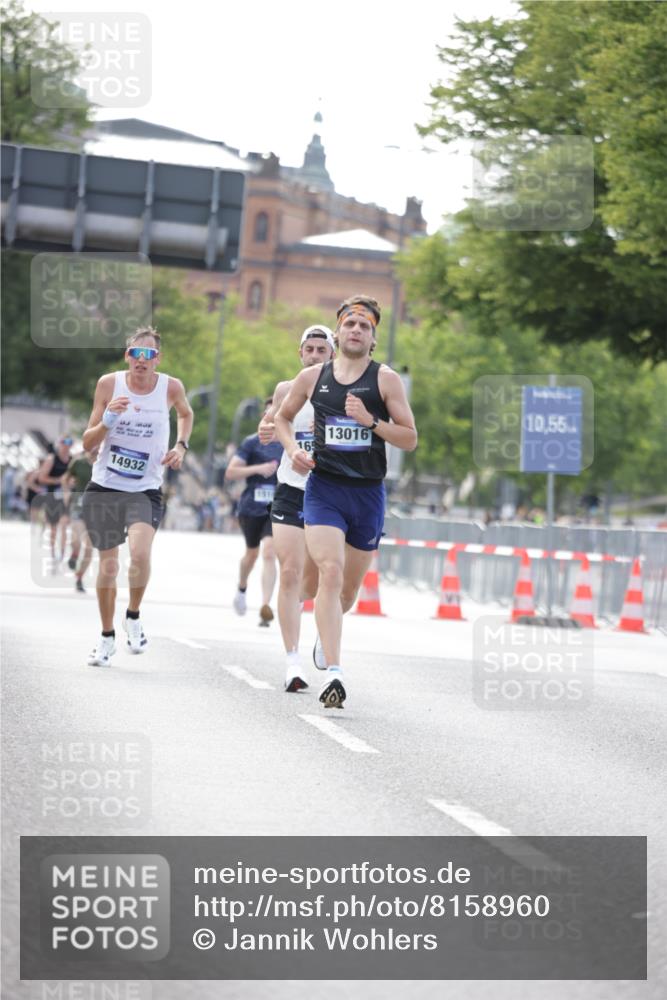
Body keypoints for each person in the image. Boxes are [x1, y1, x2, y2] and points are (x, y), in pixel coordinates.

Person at [275, 294, 418, 708]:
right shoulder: (313, 378)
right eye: (350, 324)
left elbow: (410, 438)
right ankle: (334, 674)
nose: (356, 331)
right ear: (338, 333)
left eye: (365, 326)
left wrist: (371, 422)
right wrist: (292, 450)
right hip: (324, 489)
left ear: (373, 339)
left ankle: (328, 627)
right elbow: (282, 418)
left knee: (347, 591)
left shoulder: (384, 380)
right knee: (329, 571)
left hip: (367, 494)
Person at [81, 326, 193, 667]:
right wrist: (109, 420)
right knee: (109, 565)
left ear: (158, 359)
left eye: (149, 355)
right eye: (135, 354)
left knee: (140, 555)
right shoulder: (108, 384)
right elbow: (88, 443)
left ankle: (132, 614)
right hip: (104, 487)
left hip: (144, 488)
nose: (141, 361)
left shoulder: (170, 387)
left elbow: (186, 414)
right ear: (126, 356)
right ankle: (106, 637)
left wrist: (180, 446)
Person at [258, 325, 335, 692]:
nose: (316, 355)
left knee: (319, 578)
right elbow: (273, 420)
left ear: (331, 355)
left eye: (323, 349)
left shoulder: (345, 391)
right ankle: (292, 662)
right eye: (310, 348)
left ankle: (325, 624)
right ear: (300, 353)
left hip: (331, 491)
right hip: (291, 488)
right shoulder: (286, 390)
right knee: (289, 571)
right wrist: (265, 428)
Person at [224, 399, 282, 626]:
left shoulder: (289, 442)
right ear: (262, 418)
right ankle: (241, 587)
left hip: (277, 507)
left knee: (269, 552)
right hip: (251, 506)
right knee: (251, 554)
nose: (271, 421)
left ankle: (265, 606)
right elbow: (231, 472)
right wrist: (258, 468)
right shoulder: (251, 442)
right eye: (268, 415)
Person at [37, 436, 73, 567]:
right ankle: (52, 552)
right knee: (53, 528)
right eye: (64, 442)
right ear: (59, 444)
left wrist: (71, 482)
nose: (67, 445)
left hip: (66, 497)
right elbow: (41, 478)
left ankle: (62, 554)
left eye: (70, 443)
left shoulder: (72, 460)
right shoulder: (52, 459)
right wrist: (58, 480)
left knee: (64, 524)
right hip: (52, 496)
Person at [66, 448, 95, 592]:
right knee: (76, 540)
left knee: (89, 549)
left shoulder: (107, 463)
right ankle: (74, 554)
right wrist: (66, 494)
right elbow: (66, 478)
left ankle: (79, 577)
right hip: (78, 504)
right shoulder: (78, 462)